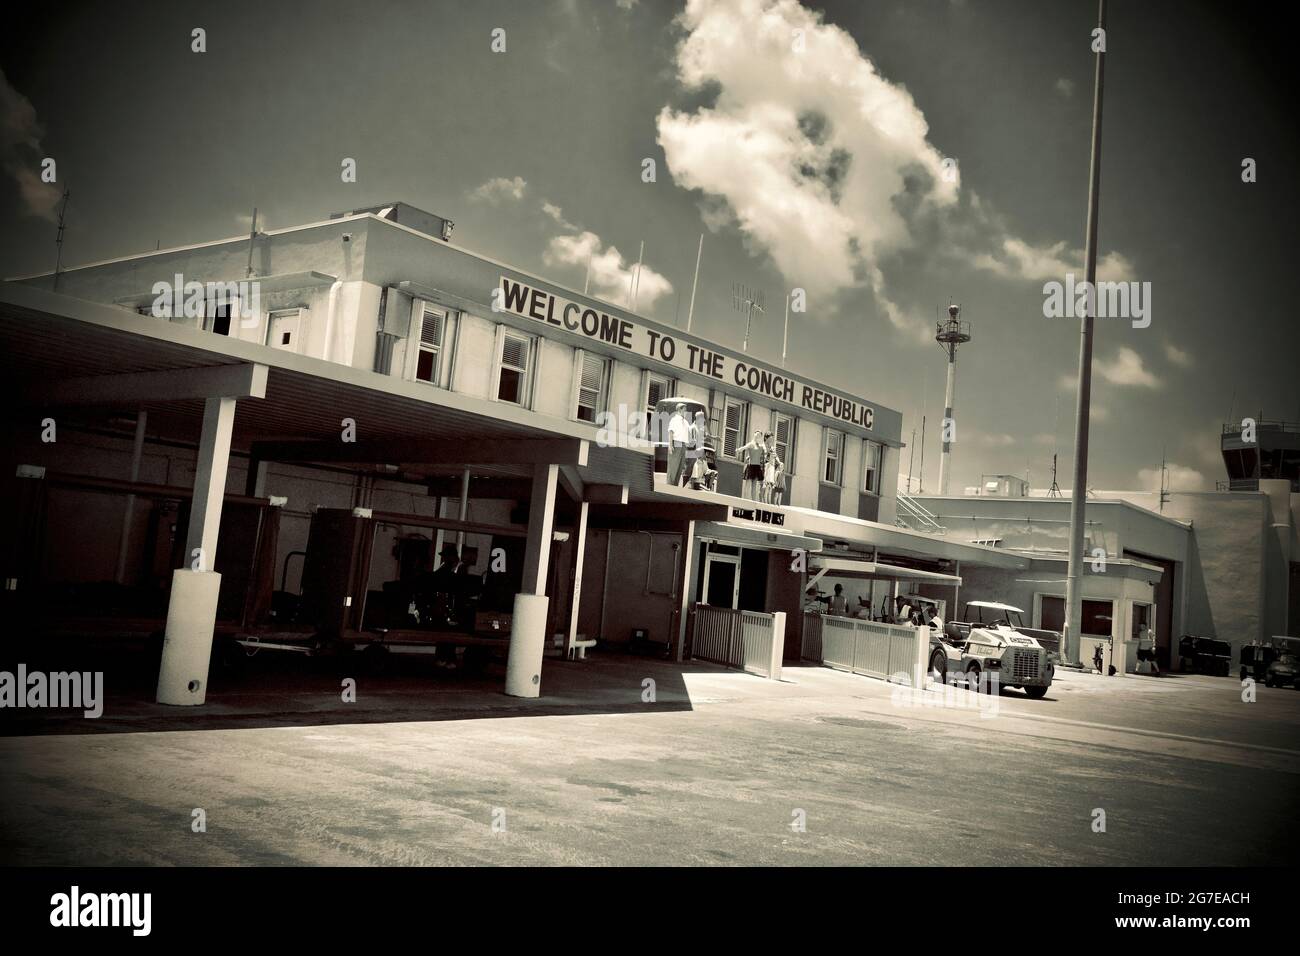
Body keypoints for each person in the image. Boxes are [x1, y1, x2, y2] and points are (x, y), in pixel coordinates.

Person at [666, 404, 691, 485]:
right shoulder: (674, 419)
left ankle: (675, 486)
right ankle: (669, 485)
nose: (686, 411)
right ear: (679, 410)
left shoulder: (686, 422)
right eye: (684, 409)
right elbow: (670, 432)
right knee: (673, 466)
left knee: (680, 467)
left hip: (683, 445)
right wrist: (670, 445)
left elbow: (690, 433)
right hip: (676, 443)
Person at [737, 430, 766, 500]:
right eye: (757, 434)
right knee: (748, 485)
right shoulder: (751, 444)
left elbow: (765, 452)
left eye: (760, 435)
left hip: (757, 467)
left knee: (754, 486)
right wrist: (739, 450)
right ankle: (745, 500)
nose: (758, 436)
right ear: (754, 434)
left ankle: (753, 502)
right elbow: (744, 448)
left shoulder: (761, 446)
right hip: (751, 466)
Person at [686, 410, 710, 488]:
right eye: (702, 418)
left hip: (696, 453)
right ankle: (706, 473)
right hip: (691, 452)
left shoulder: (699, 428)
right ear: (698, 419)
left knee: (700, 464)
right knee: (697, 466)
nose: (703, 420)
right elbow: (692, 442)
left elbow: (704, 436)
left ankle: (705, 474)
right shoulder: (693, 428)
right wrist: (700, 450)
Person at [762, 432, 785, 505]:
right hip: (765, 466)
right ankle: (762, 501)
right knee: (763, 484)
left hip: (771, 467)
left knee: (769, 485)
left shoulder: (771, 447)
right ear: (766, 438)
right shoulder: (763, 446)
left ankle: (767, 501)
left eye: (772, 438)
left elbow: (776, 456)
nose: (771, 440)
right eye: (770, 438)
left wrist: (779, 462)